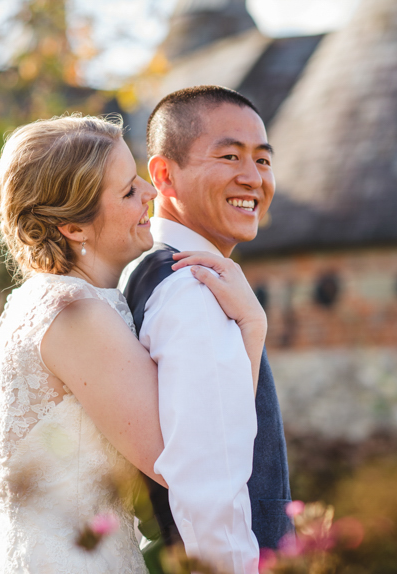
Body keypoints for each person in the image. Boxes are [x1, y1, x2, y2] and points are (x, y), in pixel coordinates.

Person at [0, 114, 269, 573]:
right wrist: (251, 325)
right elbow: (187, 456)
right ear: (74, 227)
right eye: (129, 191)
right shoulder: (75, 313)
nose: (151, 193)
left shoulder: (42, 302)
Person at [120, 85, 295, 574]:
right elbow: (208, 484)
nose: (253, 178)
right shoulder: (193, 290)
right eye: (229, 156)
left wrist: (253, 325)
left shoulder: (153, 272)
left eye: (262, 160)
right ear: (164, 175)